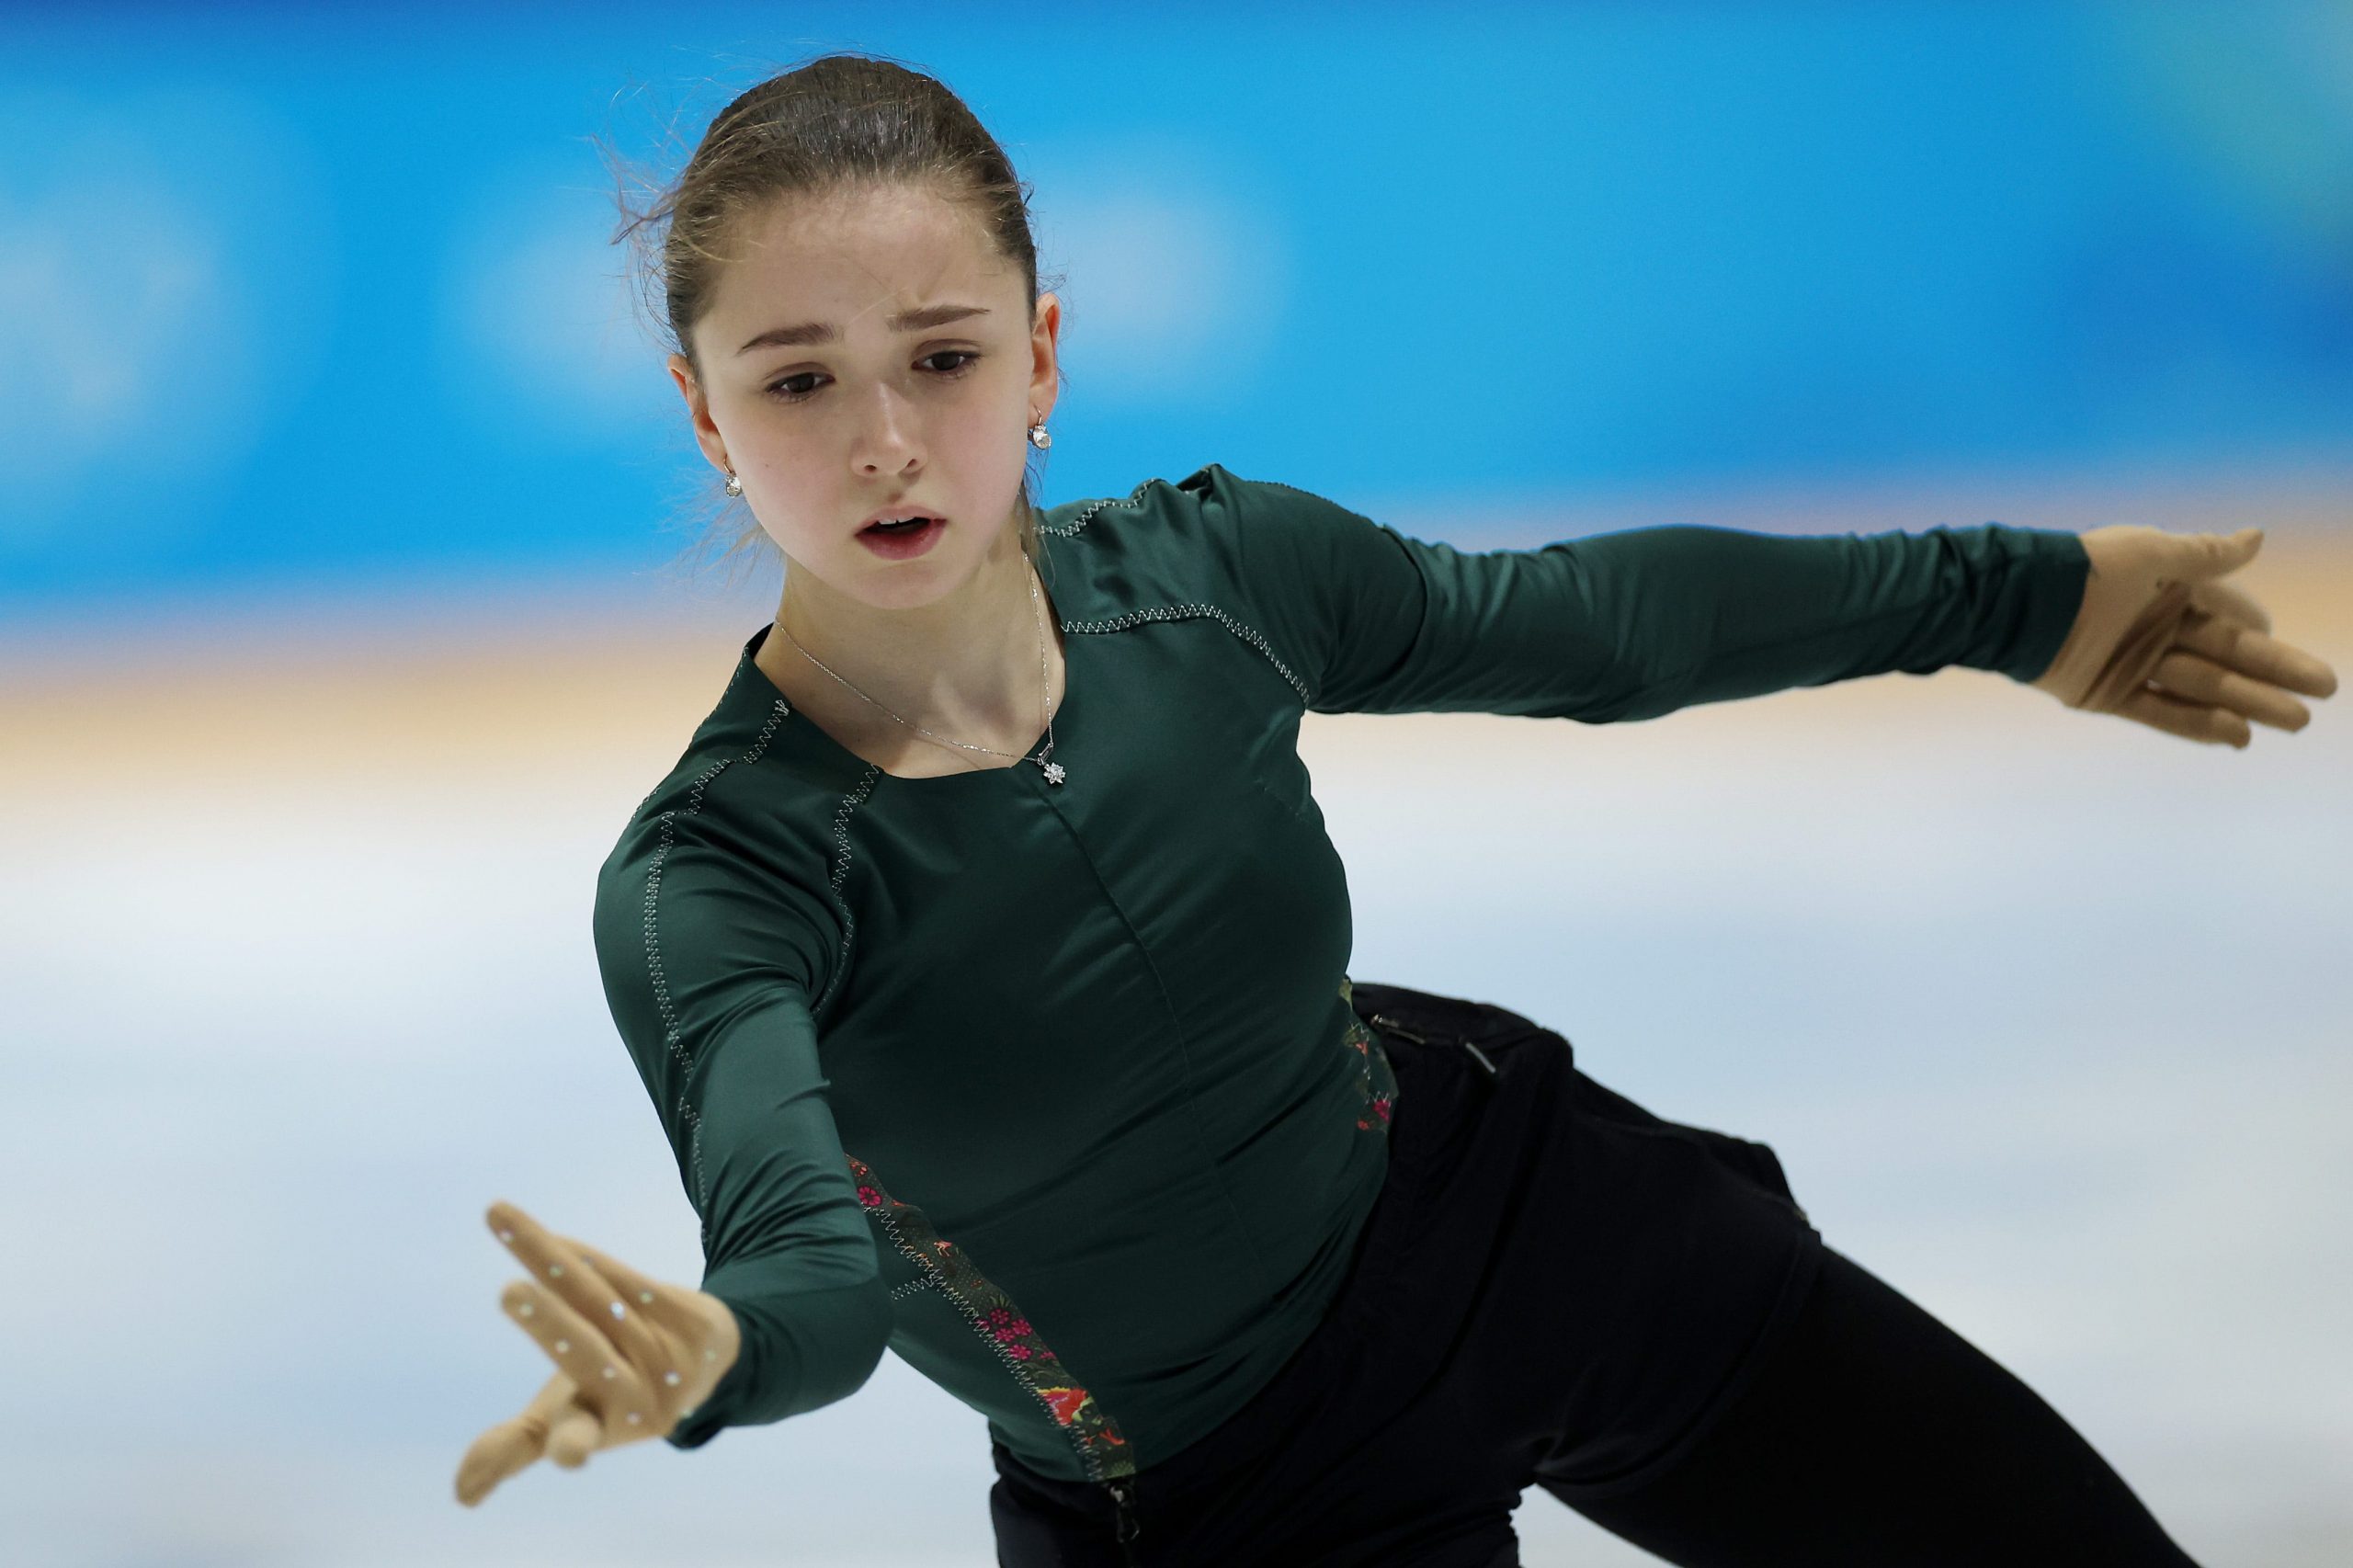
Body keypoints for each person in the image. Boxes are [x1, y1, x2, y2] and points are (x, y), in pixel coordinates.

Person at [452, 50, 2338, 1568]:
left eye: (940, 356)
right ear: (706, 417)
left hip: (1517, 1226)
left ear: (1040, 356)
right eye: (797, 380)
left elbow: (1588, 623)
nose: (881, 438)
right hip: (1225, 1501)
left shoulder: (1208, 581)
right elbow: (807, 1261)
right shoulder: (718, 880)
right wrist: (718, 1358)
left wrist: (2016, 595)